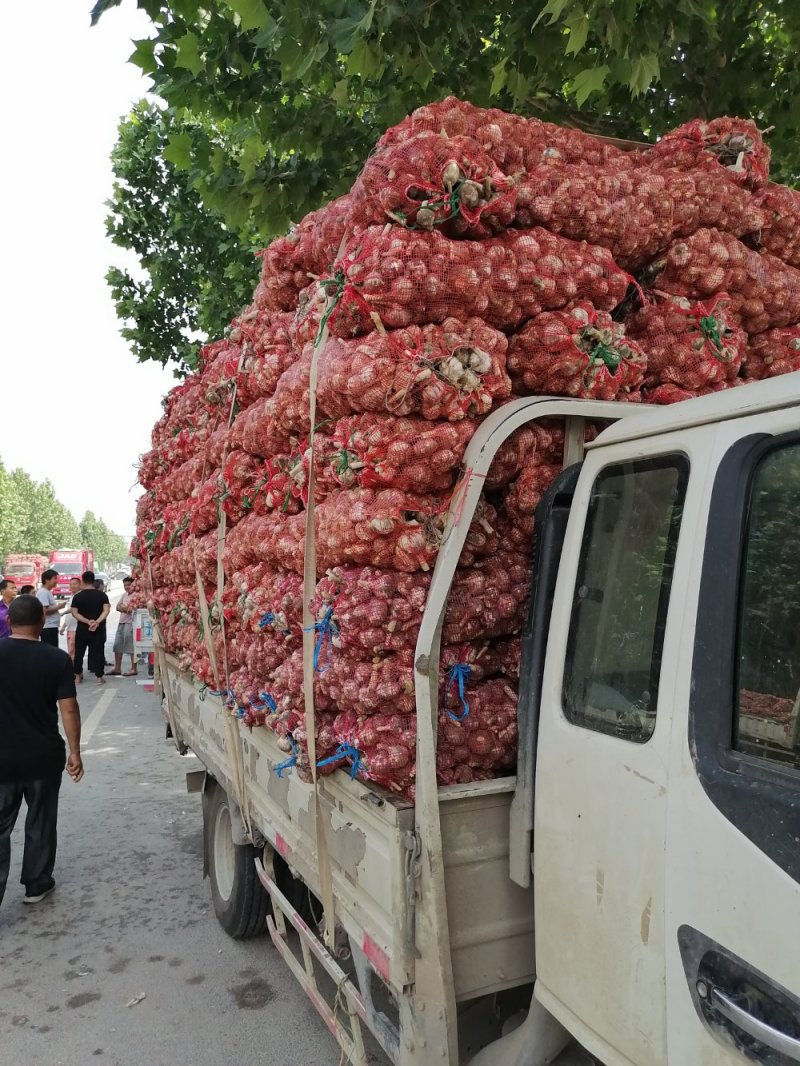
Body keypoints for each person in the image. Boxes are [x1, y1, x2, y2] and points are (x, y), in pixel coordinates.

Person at [0, 595, 83, 908]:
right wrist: (75, 752)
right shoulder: (56, 659)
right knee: (41, 820)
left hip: (1, 759)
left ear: (9, 622)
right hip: (42, 757)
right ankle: (37, 884)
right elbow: (69, 709)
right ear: (40, 623)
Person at [71, 571, 110, 685]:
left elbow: (74, 613)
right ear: (93, 581)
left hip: (82, 629)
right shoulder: (102, 595)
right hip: (98, 629)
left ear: (82, 581)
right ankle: (99, 677)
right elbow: (106, 610)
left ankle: (77, 676)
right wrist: (96, 622)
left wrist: (87, 621)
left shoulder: (78, 596)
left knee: (79, 653)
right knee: (98, 652)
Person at [111, 576, 137, 676]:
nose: (126, 587)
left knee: (131, 646)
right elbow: (117, 607)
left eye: (128, 584)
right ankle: (117, 668)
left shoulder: (136, 595)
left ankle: (133, 668)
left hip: (131, 623)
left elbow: (132, 609)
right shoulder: (124, 595)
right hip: (122, 622)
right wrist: (125, 608)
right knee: (117, 645)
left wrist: (125, 608)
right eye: (125, 585)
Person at [36, 569, 64, 648]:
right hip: (48, 627)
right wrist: (59, 606)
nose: (56, 581)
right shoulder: (43, 592)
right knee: (50, 650)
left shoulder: (47, 591)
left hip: (51, 626)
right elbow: (44, 610)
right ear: (47, 580)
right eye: (54, 578)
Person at [60, 577, 82, 661]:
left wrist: (62, 613)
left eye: (75, 584)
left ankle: (75, 672)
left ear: (80, 585)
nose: (72, 586)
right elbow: (70, 615)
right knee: (70, 651)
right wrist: (63, 626)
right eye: (71, 584)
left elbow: (73, 609)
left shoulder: (80, 596)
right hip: (70, 628)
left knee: (73, 652)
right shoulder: (72, 596)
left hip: (76, 629)